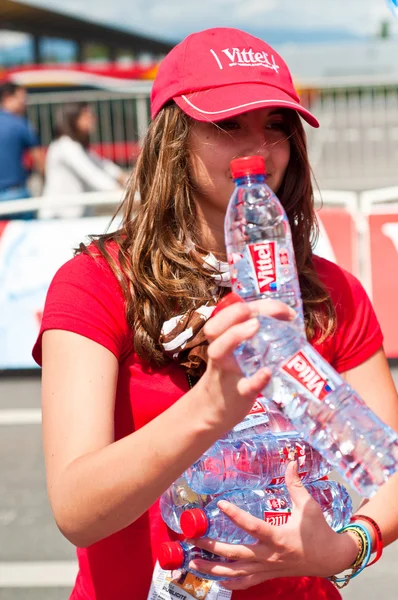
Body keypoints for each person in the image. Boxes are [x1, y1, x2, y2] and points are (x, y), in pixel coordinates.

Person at [32, 27, 398, 600]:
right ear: (172, 138)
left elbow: (390, 463)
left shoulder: (330, 292)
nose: (260, 144)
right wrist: (210, 407)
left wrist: (347, 547)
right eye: (228, 123)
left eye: (276, 124)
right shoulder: (98, 282)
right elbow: (77, 509)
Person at [40, 102, 127, 218]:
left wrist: (129, 181)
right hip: (58, 217)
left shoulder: (77, 147)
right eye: (87, 116)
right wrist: (124, 196)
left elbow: (104, 166)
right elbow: (92, 174)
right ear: (73, 120)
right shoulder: (65, 146)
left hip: (72, 216)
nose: (93, 119)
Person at [0, 81, 44, 219]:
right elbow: (40, 159)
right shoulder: (20, 124)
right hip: (16, 194)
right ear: (8, 97)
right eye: (22, 98)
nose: (25, 102)